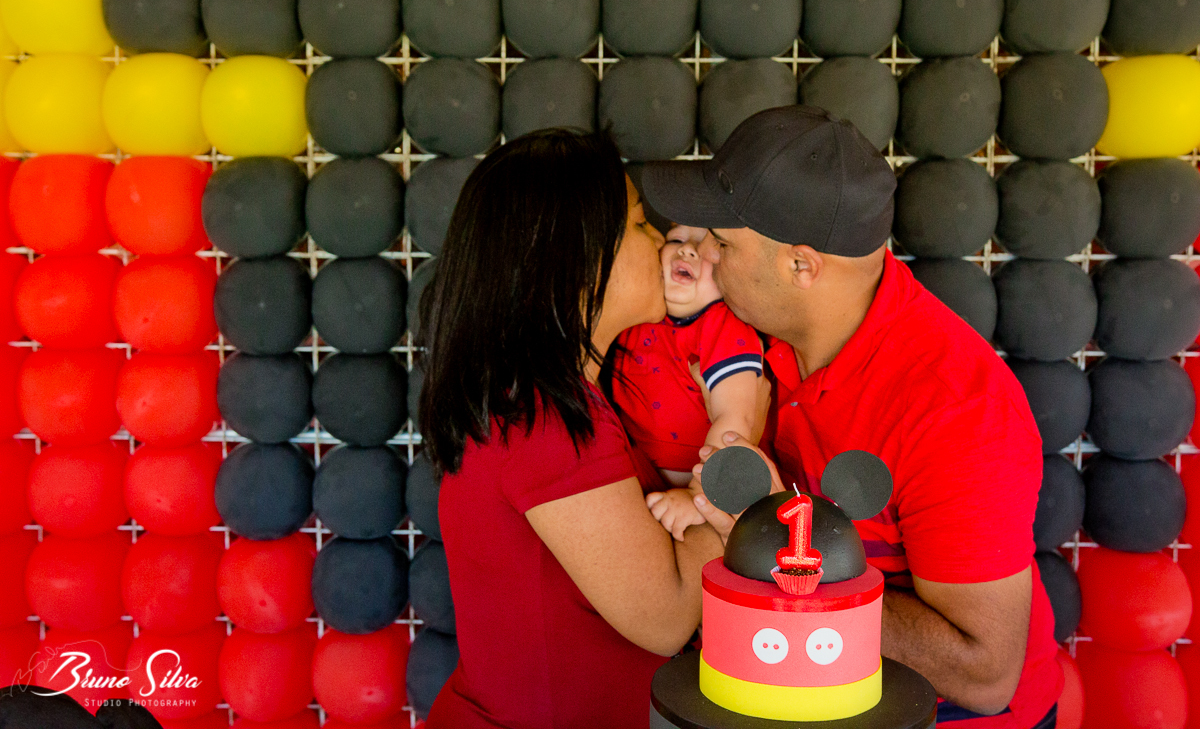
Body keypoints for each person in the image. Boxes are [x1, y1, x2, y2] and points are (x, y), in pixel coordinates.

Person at [639, 105, 1062, 729]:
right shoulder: (758, 330)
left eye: (723, 244)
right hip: (805, 693)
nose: (704, 257)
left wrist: (773, 545)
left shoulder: (955, 411)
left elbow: (983, 673)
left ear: (801, 266)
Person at [418, 129, 726, 729]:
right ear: (576, 262)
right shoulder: (542, 419)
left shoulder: (545, 400)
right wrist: (727, 496)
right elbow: (666, 616)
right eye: (640, 224)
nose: (662, 241)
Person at [610, 222, 765, 541]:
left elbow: (735, 418)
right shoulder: (635, 316)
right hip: (634, 479)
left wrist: (702, 493)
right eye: (677, 239)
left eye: (707, 245)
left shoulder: (722, 327)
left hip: (700, 485)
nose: (688, 249)